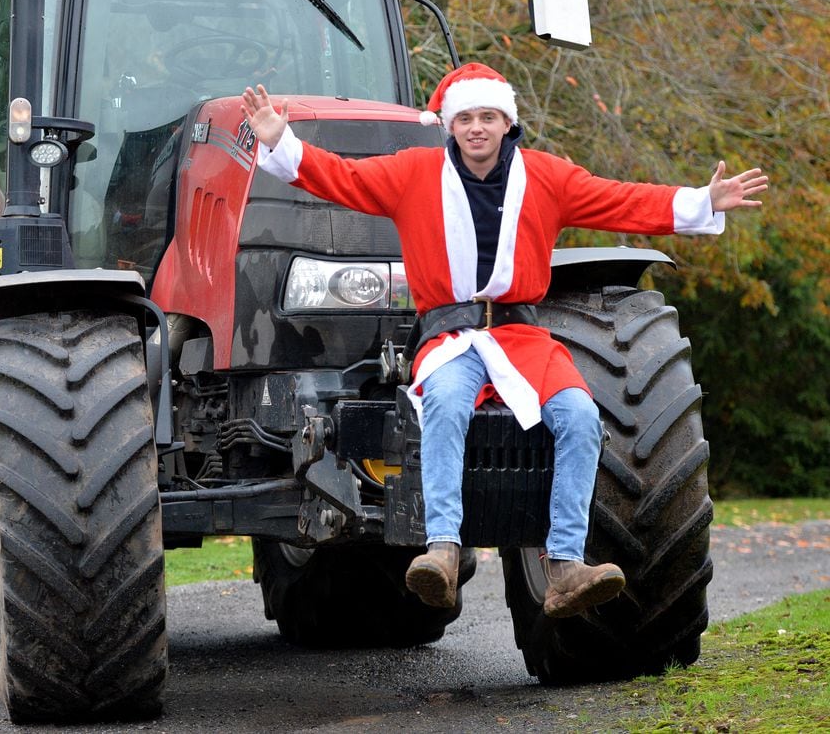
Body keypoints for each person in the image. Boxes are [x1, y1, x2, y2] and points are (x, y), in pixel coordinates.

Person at [241, 63, 768, 618]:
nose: (476, 128)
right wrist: (282, 141)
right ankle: (443, 551)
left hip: (523, 338)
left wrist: (702, 200)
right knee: (443, 405)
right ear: (449, 124)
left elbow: (620, 200)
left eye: (487, 116)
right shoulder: (413, 172)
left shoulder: (546, 176)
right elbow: (340, 177)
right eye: (465, 117)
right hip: (451, 337)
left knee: (581, 418)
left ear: (506, 121)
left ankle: (564, 565)